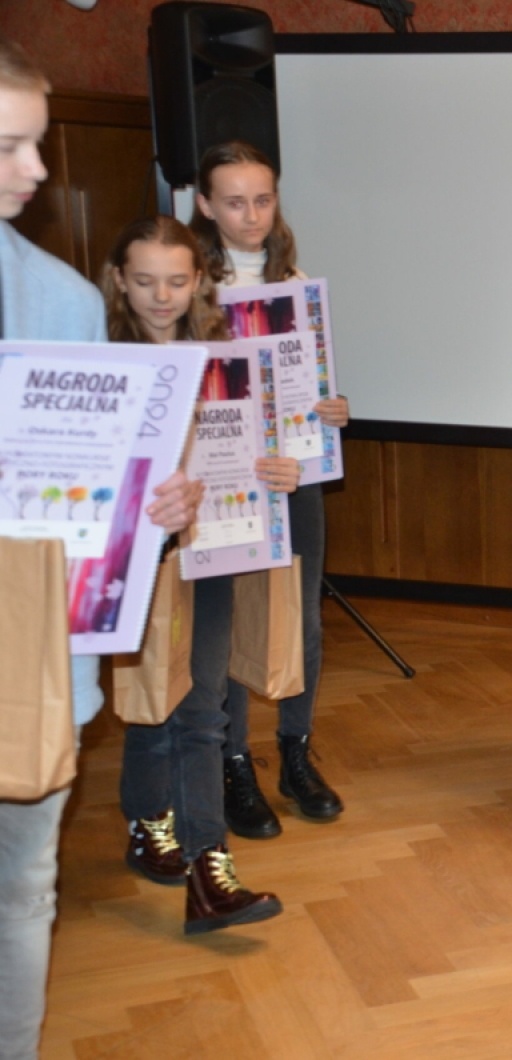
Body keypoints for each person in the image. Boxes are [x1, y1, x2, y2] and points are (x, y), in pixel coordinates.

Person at [0, 39, 202, 1057]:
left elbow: (95, 493)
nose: (39, 171)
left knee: (23, 886)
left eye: (37, 143)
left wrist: (150, 506)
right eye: (11, 146)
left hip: (36, 656)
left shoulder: (66, 303)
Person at [102, 215, 294, 934]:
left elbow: (261, 448)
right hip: (141, 558)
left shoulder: (227, 361)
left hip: (214, 547)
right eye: (145, 280)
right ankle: (148, 818)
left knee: (203, 708)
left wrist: (278, 469)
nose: (162, 296)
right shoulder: (101, 364)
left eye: (177, 281)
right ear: (118, 281)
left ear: (199, 283)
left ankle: (209, 868)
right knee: (156, 702)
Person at [190, 140, 351, 839]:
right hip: (224, 483)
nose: (252, 215)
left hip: (293, 479)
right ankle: (233, 763)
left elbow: (306, 388)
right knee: (226, 626)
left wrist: (330, 411)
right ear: (204, 205)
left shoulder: (295, 282)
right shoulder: (188, 283)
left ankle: (295, 753)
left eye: (263, 199)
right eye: (234, 202)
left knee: (301, 621)